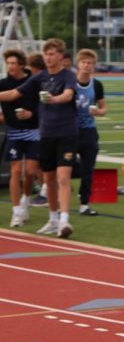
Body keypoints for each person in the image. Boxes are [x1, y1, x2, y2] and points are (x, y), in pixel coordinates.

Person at [0, 39, 79, 237]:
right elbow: (13, 94)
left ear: (61, 55)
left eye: (52, 54)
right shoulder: (40, 77)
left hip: (66, 134)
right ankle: (53, 219)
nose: (49, 58)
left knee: (63, 177)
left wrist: (54, 99)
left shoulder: (68, 75)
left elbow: (68, 95)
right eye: (46, 54)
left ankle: (64, 221)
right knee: (49, 179)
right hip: (46, 135)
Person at [0, 49, 39, 227]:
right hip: (14, 132)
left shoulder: (32, 81)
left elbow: (42, 106)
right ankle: (16, 212)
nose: (10, 66)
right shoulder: (2, 83)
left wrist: (31, 113)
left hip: (33, 131)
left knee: (30, 172)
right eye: (8, 63)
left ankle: (25, 200)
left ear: (22, 64)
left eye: (14, 63)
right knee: (15, 171)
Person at [74, 50, 107, 216]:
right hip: (70, 131)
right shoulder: (70, 82)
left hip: (89, 131)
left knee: (88, 169)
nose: (87, 65)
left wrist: (99, 112)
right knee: (62, 167)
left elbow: (104, 107)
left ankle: (84, 204)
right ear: (78, 64)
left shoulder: (97, 85)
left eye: (90, 63)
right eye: (84, 62)